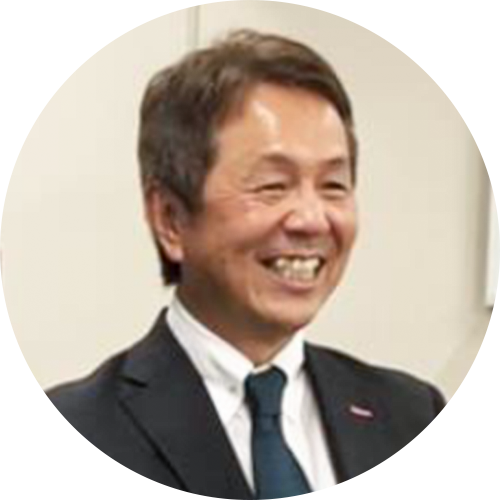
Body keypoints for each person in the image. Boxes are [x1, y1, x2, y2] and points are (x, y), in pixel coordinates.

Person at [5, 29, 465, 500]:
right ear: (170, 219)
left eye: (333, 185)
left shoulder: (411, 418)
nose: (312, 219)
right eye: (272, 186)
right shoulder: (74, 439)